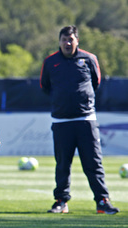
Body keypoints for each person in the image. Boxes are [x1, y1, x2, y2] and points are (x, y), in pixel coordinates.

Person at [40, 25, 119, 215]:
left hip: (86, 120)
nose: (67, 43)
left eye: (71, 39)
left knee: (93, 163)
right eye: (64, 39)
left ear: (77, 41)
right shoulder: (50, 62)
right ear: (59, 41)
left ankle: (102, 201)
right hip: (61, 122)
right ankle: (61, 201)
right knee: (62, 165)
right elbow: (45, 86)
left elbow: (96, 82)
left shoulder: (89, 59)